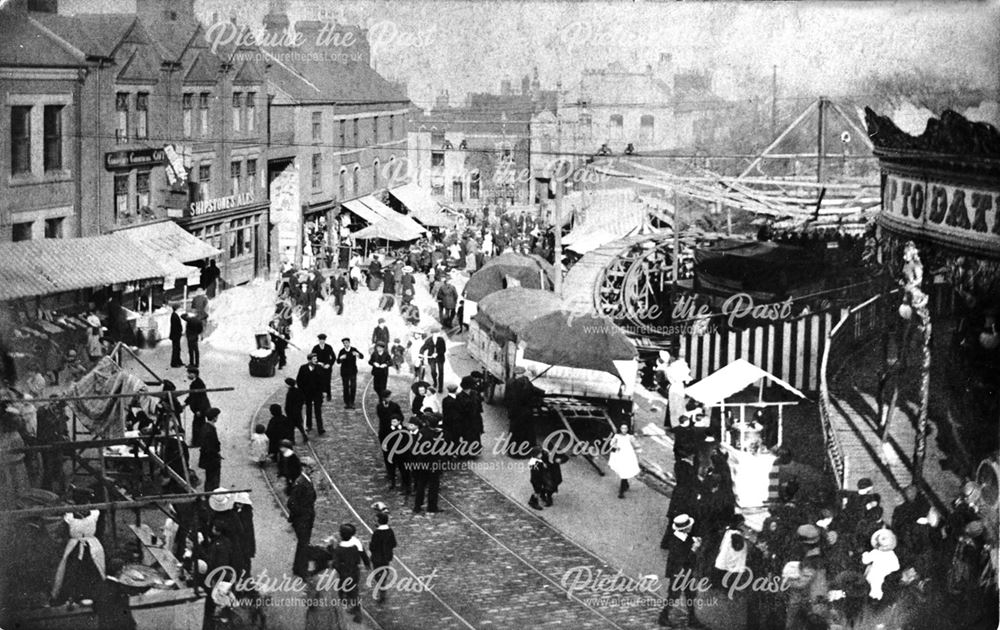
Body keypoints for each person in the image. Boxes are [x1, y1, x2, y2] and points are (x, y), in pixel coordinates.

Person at [658, 514, 706, 628]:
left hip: (685, 571)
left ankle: (692, 618)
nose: (691, 527)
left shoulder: (683, 536)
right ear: (684, 528)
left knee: (690, 594)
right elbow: (684, 559)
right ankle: (663, 616)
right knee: (674, 595)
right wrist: (694, 548)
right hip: (679, 572)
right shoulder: (677, 542)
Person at [329, 523, 372, 623]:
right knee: (353, 590)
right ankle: (354, 608)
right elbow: (363, 555)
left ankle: (356, 613)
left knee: (345, 592)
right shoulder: (356, 543)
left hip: (344, 573)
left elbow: (335, 563)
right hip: (355, 571)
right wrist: (367, 564)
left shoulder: (339, 549)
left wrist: (331, 547)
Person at [287, 457, 317, 578]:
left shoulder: (306, 480)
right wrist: (302, 514)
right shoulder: (300, 483)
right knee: (304, 544)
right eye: (310, 468)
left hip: (306, 518)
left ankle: (297, 567)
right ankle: (302, 570)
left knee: (303, 544)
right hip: (302, 520)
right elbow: (291, 503)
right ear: (304, 468)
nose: (312, 470)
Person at [505, 366, 544, 458]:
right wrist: (543, 392)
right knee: (525, 432)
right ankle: (524, 452)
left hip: (514, 412)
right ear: (522, 373)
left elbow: (507, 398)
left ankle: (512, 452)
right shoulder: (525, 382)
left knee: (514, 432)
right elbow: (533, 391)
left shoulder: (510, 382)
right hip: (525, 411)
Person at [376, 391, 405, 487]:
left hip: (394, 433)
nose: (390, 398)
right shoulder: (379, 406)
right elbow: (381, 417)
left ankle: (397, 469)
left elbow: (401, 417)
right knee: (386, 452)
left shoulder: (395, 406)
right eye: (388, 397)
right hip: (384, 433)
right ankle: (390, 472)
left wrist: (396, 422)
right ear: (384, 398)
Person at [369, 511, 397, 603]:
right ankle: (383, 584)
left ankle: (381, 588)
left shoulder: (376, 533)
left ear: (379, 522)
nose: (374, 522)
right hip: (386, 557)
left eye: (376, 520)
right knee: (385, 571)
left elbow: (372, 547)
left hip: (377, 558)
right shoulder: (390, 531)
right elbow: (394, 543)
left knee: (377, 573)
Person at [608, 424, 641, 499]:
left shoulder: (630, 437)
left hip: (628, 455)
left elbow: (636, 444)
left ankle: (621, 491)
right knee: (622, 471)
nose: (624, 430)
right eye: (622, 428)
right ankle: (625, 484)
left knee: (624, 471)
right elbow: (612, 443)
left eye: (625, 428)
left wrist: (638, 451)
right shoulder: (617, 436)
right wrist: (615, 447)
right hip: (619, 455)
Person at [296, 354, 326, 435]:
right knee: (308, 410)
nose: (316, 360)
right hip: (307, 394)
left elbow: (323, 380)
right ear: (309, 360)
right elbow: (299, 381)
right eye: (314, 359)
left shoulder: (319, 368)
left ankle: (320, 427)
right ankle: (309, 426)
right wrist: (302, 392)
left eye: (316, 359)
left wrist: (323, 391)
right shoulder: (303, 368)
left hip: (317, 393)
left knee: (318, 411)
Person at [199, 408, 222, 491]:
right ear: (214, 418)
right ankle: (212, 495)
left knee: (209, 478)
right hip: (212, 460)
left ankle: (209, 494)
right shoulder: (210, 429)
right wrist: (216, 455)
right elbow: (210, 447)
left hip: (208, 459)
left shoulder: (206, 427)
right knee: (213, 479)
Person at [337, 338, 364, 409]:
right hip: (344, 372)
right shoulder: (342, 351)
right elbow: (338, 361)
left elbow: (362, 356)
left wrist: (357, 354)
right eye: (344, 343)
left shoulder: (353, 349)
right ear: (343, 344)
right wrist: (340, 358)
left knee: (353, 387)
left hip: (353, 372)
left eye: (347, 343)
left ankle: (352, 402)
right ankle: (347, 403)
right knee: (345, 387)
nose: (346, 344)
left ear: (349, 343)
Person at [310, 334, 337, 402]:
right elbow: (312, 358)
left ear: (325, 340)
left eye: (323, 340)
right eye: (320, 340)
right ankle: (320, 395)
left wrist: (329, 364)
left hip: (327, 368)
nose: (322, 341)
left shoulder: (329, 347)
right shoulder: (315, 348)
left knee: (327, 381)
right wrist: (318, 363)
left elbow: (333, 357)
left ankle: (328, 395)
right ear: (319, 340)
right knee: (319, 382)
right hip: (318, 368)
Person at [169, 304, 184, 368]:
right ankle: (174, 363)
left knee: (178, 349)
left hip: (176, 335)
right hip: (176, 335)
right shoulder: (174, 316)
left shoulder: (174, 315)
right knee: (176, 349)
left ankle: (178, 361)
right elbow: (175, 327)